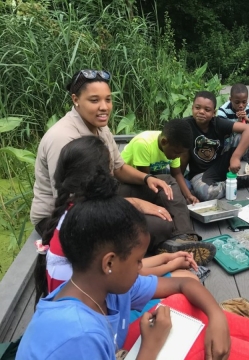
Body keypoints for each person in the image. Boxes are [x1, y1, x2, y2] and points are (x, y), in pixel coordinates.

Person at [18, 173, 249, 360]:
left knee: (180, 306)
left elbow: (183, 287)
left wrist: (219, 319)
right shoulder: (76, 335)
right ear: (108, 263)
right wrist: (151, 345)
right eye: (137, 261)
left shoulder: (101, 287)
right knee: (194, 347)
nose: (143, 267)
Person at [30, 70, 212, 264]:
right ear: (75, 99)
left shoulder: (101, 127)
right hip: (67, 217)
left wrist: (147, 179)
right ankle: (166, 240)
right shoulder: (63, 138)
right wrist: (135, 204)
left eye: (108, 99)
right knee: (160, 225)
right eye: (94, 100)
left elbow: (119, 168)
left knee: (164, 181)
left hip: (102, 194)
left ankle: (184, 237)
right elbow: (74, 203)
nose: (104, 107)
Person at [33, 136, 200, 303]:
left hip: (88, 293)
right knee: (189, 282)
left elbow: (123, 267)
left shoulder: (71, 210)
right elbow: (129, 273)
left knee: (184, 278)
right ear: (104, 174)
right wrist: (170, 265)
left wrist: (167, 258)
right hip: (99, 302)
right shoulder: (100, 220)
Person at [184, 91, 249, 201]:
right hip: (200, 174)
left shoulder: (217, 123)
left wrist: (236, 157)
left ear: (214, 113)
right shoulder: (186, 125)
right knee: (206, 194)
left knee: (244, 138)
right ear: (192, 108)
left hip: (222, 164)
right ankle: (234, 183)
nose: (201, 112)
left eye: (207, 110)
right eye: (197, 107)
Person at [121, 118, 200, 204]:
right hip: (134, 175)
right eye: (177, 153)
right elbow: (145, 179)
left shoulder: (175, 147)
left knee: (187, 187)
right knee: (164, 193)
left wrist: (188, 196)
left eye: (181, 154)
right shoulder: (143, 144)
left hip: (154, 170)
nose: (178, 157)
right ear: (164, 142)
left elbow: (177, 173)